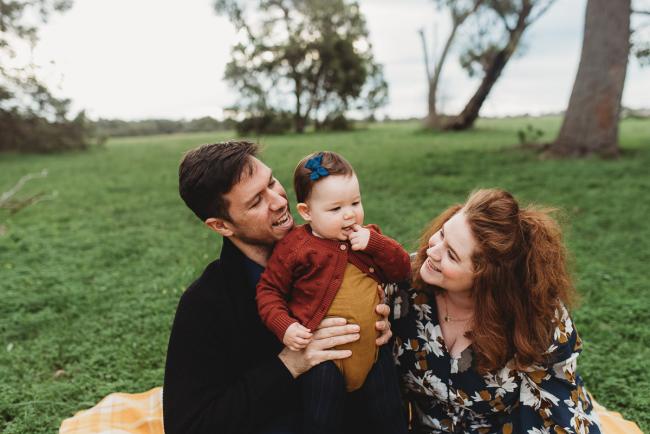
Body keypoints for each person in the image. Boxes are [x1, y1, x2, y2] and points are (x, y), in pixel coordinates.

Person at [163, 141, 393, 434]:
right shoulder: (204, 305)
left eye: (272, 182)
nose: (279, 201)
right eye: (256, 201)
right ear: (221, 226)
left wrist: (378, 324)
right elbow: (188, 426)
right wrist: (289, 365)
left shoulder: (336, 248)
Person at [390, 189, 602, 433]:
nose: (432, 251)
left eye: (451, 255)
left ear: (488, 279)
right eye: (442, 233)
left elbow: (553, 411)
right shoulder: (401, 286)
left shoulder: (538, 317)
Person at [256, 152, 410, 434]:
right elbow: (269, 291)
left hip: (374, 352)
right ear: (306, 212)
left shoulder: (368, 239)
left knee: (392, 416)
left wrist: (374, 243)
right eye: (335, 208)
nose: (350, 214)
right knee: (321, 420)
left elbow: (402, 269)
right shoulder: (296, 247)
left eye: (355, 202)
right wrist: (285, 326)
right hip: (325, 360)